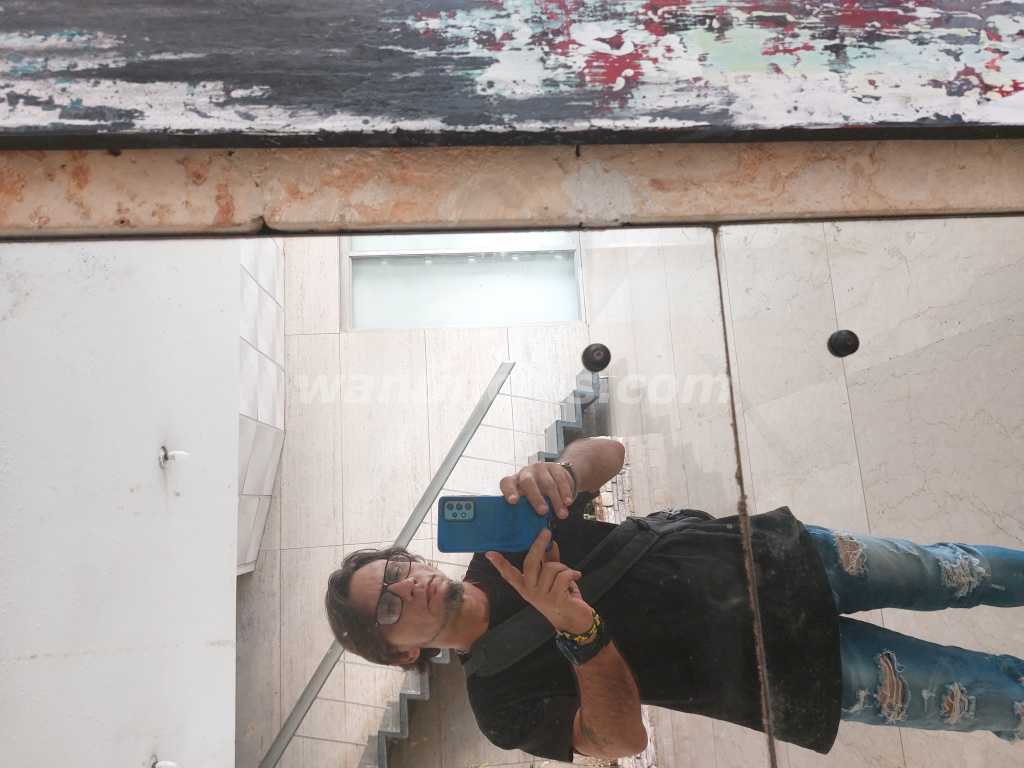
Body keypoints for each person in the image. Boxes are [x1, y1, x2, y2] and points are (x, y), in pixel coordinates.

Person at [325, 437, 1024, 760]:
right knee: (991, 697)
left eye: (396, 569)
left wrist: (562, 471)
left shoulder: (501, 542)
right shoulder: (499, 705)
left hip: (779, 557)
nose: (406, 585)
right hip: (792, 674)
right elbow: (621, 742)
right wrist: (578, 632)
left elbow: (611, 451)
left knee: (954, 571)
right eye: (388, 606)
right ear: (403, 653)